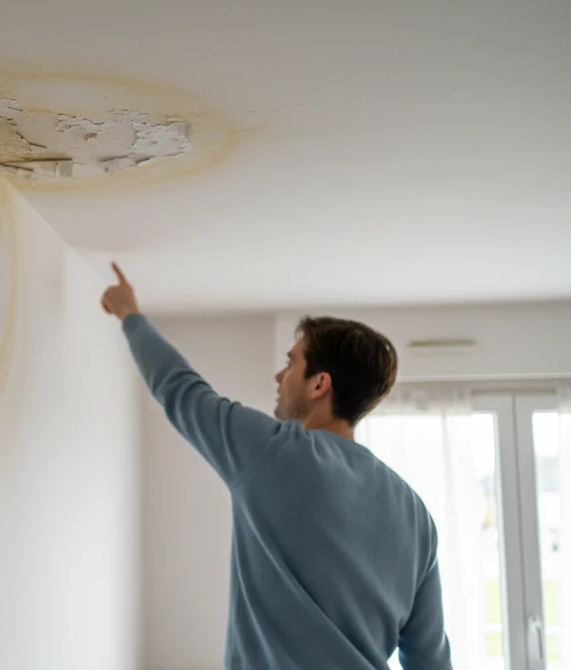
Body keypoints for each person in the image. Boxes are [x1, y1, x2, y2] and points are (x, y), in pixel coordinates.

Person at [101, 263, 451, 670]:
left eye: (291, 362)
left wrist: (130, 314)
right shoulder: (416, 516)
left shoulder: (271, 451)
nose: (279, 375)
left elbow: (180, 389)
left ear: (320, 384)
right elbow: (430, 661)